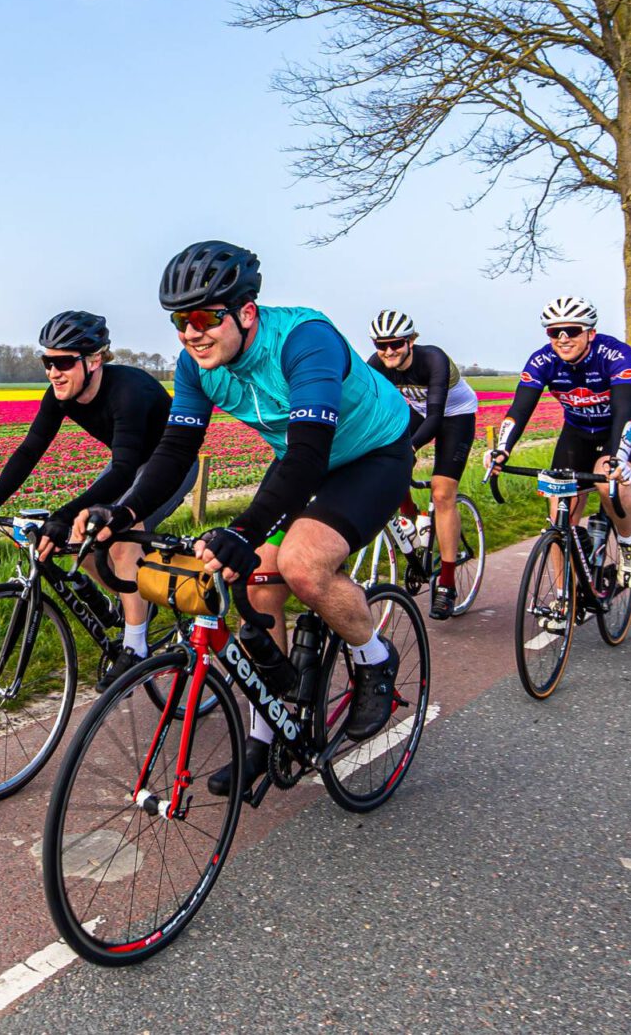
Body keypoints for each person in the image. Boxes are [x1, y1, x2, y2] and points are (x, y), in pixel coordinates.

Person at [82, 240, 414, 797]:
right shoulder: (195, 366)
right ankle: (265, 735)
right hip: (300, 463)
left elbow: (310, 452)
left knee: (303, 567)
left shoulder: (306, 341)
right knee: (256, 581)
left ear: (246, 312)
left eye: (205, 317)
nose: (191, 333)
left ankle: (373, 657)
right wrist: (124, 511)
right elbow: (175, 451)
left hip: (370, 455)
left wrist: (242, 530)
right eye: (179, 321)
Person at [0, 310, 197, 688]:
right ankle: (125, 600)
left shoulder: (128, 392)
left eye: (64, 362)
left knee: (119, 532)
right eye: (47, 361)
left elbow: (123, 471)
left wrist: (63, 512)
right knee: (75, 537)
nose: (53, 372)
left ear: (95, 359)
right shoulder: (59, 395)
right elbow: (30, 449)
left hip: (168, 468)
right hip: (127, 465)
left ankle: (135, 649)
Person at [483, 297, 631, 611]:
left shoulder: (615, 355)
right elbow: (520, 409)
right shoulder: (542, 361)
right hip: (577, 432)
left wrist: (619, 458)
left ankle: (628, 543)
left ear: (590, 332)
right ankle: (564, 597)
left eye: (572, 330)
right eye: (554, 332)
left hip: (623, 426)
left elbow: (625, 410)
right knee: (558, 509)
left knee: (607, 480)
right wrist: (501, 450)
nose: (563, 338)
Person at [365, 310, 479, 620]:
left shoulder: (433, 360)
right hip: (418, 411)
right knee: (386, 460)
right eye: (382, 344)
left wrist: (409, 447)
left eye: (397, 344)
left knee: (442, 493)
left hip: (453, 416)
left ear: (411, 341)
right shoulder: (376, 365)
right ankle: (412, 521)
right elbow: (364, 405)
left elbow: (436, 418)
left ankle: (447, 583)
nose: (389, 351)